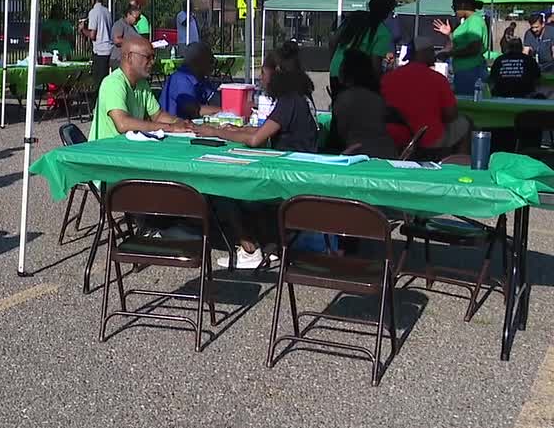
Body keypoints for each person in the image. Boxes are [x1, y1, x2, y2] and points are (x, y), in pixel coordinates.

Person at [195, 42, 318, 269]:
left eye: (263, 73)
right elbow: (268, 129)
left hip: (287, 183)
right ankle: (272, 242)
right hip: (299, 174)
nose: (261, 79)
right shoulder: (301, 97)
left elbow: (256, 139)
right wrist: (234, 130)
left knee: (223, 188)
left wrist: (214, 131)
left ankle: (249, 249)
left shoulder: (289, 101)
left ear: (277, 72)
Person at [89, 34, 190, 141]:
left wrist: (179, 122)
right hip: (105, 152)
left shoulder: (142, 83)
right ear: (129, 57)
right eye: (148, 57)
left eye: (153, 57)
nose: (152, 62)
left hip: (126, 149)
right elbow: (123, 124)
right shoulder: (113, 83)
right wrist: (170, 127)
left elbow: (158, 115)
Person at [381, 36, 472, 154]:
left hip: (393, 138)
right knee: (466, 123)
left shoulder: (388, 78)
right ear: (422, 53)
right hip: (429, 140)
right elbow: (451, 115)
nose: (434, 55)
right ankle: (458, 167)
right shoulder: (438, 79)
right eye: (431, 51)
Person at [331, 49, 400, 159]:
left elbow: (339, 135)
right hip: (387, 154)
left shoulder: (344, 99)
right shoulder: (378, 99)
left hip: (358, 156)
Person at [328, 0, 397, 95]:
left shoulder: (353, 17)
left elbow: (333, 41)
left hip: (336, 70)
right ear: (387, 13)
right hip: (357, 78)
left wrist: (334, 62)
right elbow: (375, 64)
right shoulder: (383, 32)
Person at [433, 0, 488, 94]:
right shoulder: (468, 22)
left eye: (454, 7)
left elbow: (474, 48)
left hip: (471, 71)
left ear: (462, 5)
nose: (454, 10)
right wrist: (449, 34)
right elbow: (459, 44)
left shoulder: (474, 21)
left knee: (467, 104)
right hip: (464, 71)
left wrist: (449, 54)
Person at [160, 42, 220, 120]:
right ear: (198, 62)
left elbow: (215, 99)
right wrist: (228, 112)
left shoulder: (200, 78)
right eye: (211, 61)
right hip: (174, 127)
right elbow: (193, 109)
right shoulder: (181, 79)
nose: (213, 66)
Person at [81, 0, 113, 86]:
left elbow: (92, 35)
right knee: (105, 80)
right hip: (109, 49)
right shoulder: (107, 11)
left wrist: (83, 29)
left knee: (98, 82)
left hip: (100, 51)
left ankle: (98, 99)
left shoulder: (93, 12)